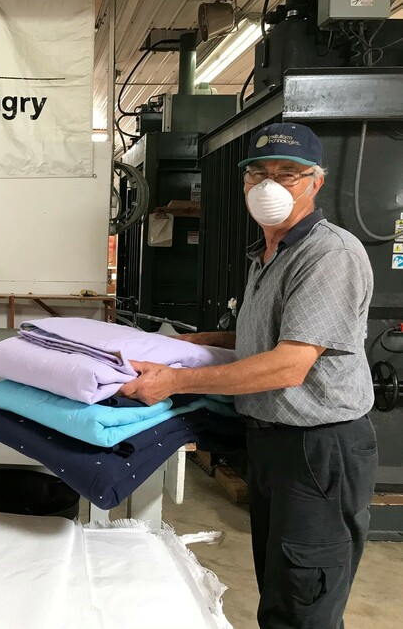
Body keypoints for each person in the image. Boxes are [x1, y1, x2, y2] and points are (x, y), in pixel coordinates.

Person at [120, 123, 377, 629]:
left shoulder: (329, 255)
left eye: (288, 174)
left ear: (316, 183)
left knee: (305, 601)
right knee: (280, 585)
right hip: (275, 445)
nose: (270, 186)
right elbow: (258, 339)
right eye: (258, 175)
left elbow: (288, 364)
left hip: (318, 448)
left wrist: (174, 380)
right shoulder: (270, 254)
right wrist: (189, 344)